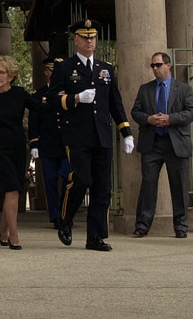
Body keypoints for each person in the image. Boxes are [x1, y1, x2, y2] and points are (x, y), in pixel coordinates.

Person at [50, 19, 135, 252]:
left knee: (102, 187)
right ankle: (65, 221)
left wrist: (125, 131)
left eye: (93, 37)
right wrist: (75, 98)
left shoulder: (105, 68)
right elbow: (52, 100)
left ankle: (95, 236)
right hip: (77, 135)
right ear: (75, 40)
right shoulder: (64, 67)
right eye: (84, 37)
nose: (89, 41)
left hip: (102, 135)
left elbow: (114, 103)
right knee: (81, 179)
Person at [0, 56, 42, 250]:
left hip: (18, 147)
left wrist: (64, 99)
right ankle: (14, 235)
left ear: (11, 75)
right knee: (11, 188)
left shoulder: (20, 94)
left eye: (1, 72)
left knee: (14, 190)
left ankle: (3, 231)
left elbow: (40, 107)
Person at [131, 52, 193, 239]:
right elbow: (136, 112)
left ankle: (181, 226)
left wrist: (170, 119)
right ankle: (142, 226)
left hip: (175, 143)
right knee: (148, 185)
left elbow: (191, 112)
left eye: (158, 65)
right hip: (152, 144)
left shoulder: (183, 89)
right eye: (152, 66)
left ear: (168, 65)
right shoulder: (145, 89)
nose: (155, 69)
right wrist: (149, 119)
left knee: (179, 186)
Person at [28, 56, 71, 229]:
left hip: (67, 144)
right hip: (47, 144)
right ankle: (55, 215)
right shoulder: (39, 95)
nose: (54, 74)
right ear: (46, 72)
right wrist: (34, 143)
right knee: (50, 181)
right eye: (52, 71)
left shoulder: (69, 93)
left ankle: (66, 212)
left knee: (68, 178)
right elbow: (34, 120)